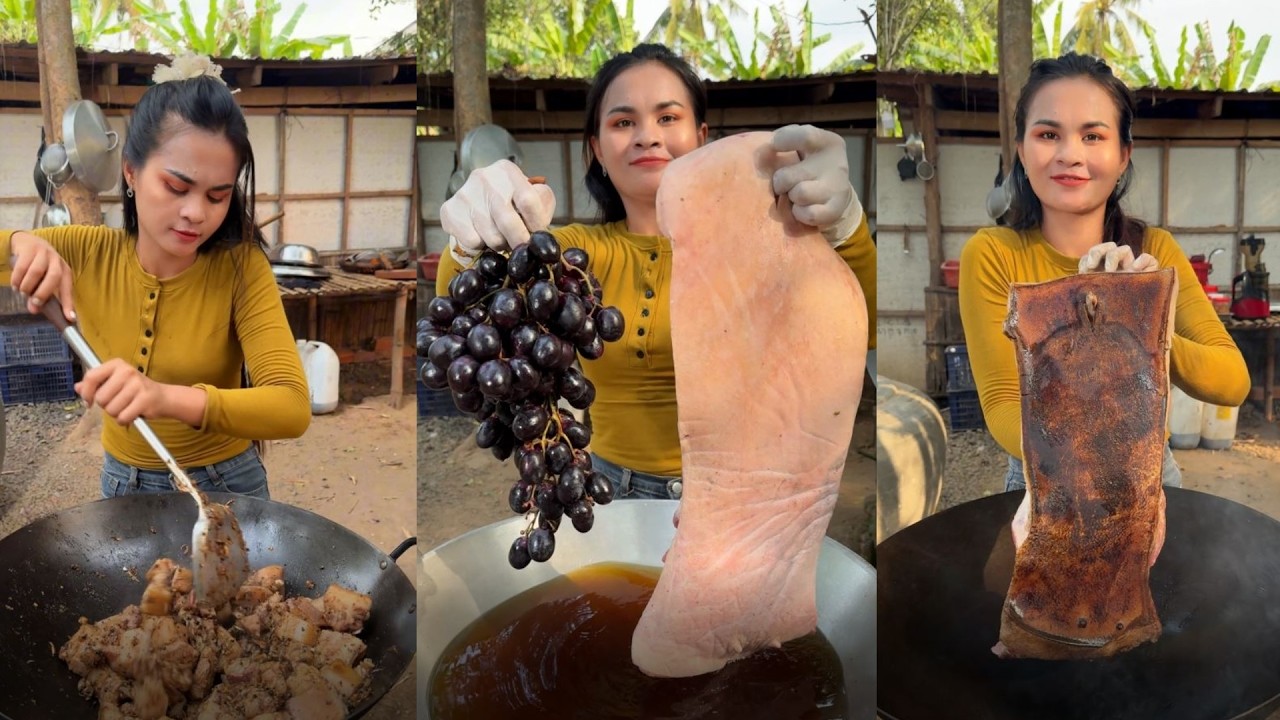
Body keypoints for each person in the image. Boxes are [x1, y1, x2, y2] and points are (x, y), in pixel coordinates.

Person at [437, 43, 875, 500]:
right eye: (623, 122)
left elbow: (859, 331)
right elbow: (461, 312)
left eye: (668, 117)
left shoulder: (768, 250)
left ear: (701, 136)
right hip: (604, 494)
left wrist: (846, 225)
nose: (647, 135)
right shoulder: (570, 262)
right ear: (598, 150)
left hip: (741, 499)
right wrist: (475, 238)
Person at [0, 53, 310, 499]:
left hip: (226, 484)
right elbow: (17, 247)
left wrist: (163, 397)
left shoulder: (240, 268)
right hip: (123, 483)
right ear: (130, 170)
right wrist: (17, 241)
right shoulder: (87, 251)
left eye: (218, 196)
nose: (196, 214)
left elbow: (291, 406)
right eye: (176, 187)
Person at [958, 52, 1249, 499]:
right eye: (1048, 133)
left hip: (1148, 472)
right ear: (1021, 149)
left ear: (1122, 154)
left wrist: (1144, 325)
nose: (1070, 154)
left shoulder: (1156, 252)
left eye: (1093, 135)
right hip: (1044, 475)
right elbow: (1002, 406)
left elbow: (1232, 381)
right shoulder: (994, 255)